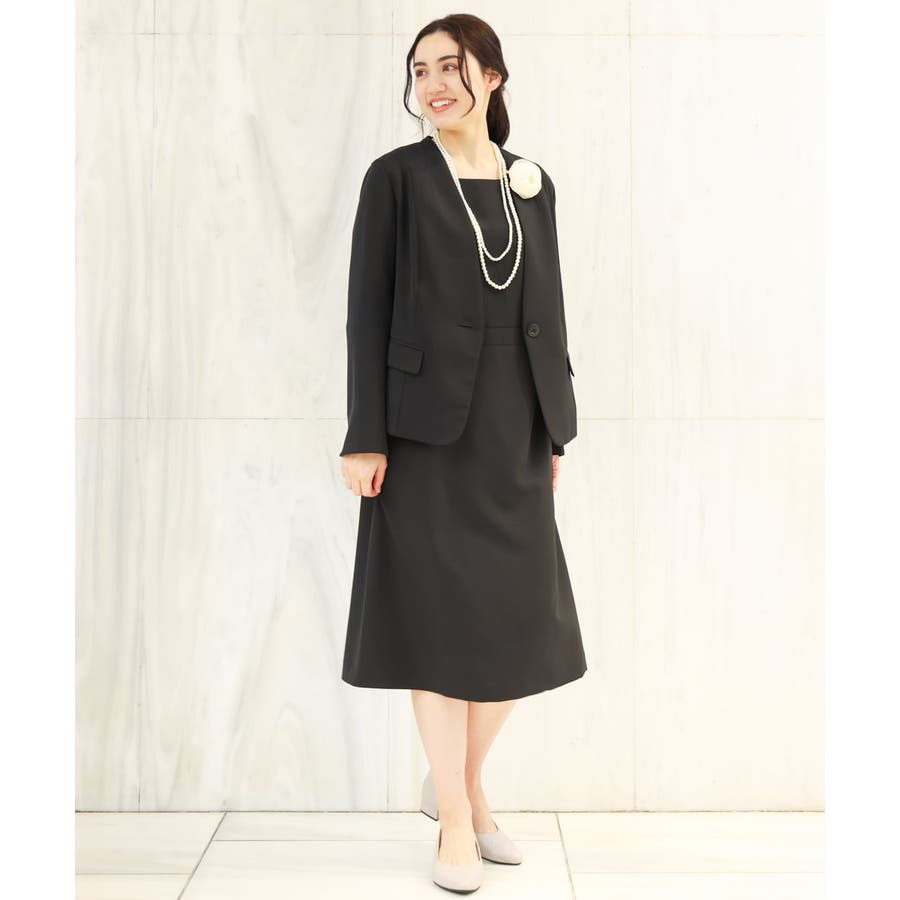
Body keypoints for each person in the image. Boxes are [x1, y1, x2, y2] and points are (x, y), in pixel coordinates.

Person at [338, 14, 587, 893]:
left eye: (451, 66)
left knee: (519, 627)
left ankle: (462, 782)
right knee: (439, 630)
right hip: (424, 436)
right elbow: (365, 312)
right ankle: (456, 816)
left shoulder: (531, 185)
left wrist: (555, 424)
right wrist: (364, 434)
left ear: (492, 76)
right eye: (420, 71)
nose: (434, 84)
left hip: (516, 428)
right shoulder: (396, 179)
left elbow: (549, 308)